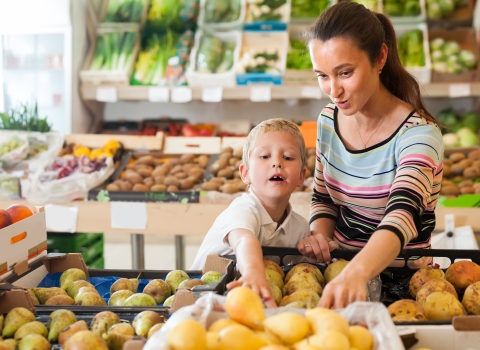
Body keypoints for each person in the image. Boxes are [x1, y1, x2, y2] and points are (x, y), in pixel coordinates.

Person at [297, 1, 444, 309]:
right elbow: (324, 198)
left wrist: (358, 272)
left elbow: (402, 216)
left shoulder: (419, 136)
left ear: (380, 57)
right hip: (338, 279)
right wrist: (320, 240)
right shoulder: (328, 120)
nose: (333, 90)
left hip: (405, 289)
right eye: (322, 75)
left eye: (345, 73)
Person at [191, 119, 311, 307]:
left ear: (301, 177)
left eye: (288, 157)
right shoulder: (241, 210)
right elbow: (243, 240)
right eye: (264, 156)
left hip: (249, 307)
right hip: (199, 301)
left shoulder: (300, 228)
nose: (277, 163)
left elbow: (298, 278)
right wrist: (253, 272)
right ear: (245, 173)